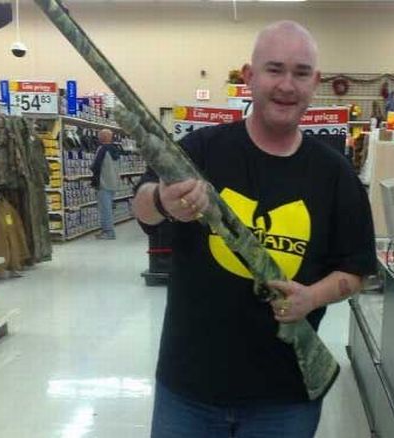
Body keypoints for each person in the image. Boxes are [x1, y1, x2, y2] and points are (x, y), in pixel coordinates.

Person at [133, 20, 377, 438]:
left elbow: (357, 270)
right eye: (274, 69)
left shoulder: (335, 174)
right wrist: (162, 201)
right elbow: (141, 206)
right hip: (188, 389)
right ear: (249, 76)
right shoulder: (201, 149)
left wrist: (311, 298)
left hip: (286, 398)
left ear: (315, 82)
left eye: (301, 73)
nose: (287, 85)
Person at [91, 128, 121, 240]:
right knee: (108, 208)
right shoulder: (115, 149)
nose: (98, 137)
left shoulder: (102, 149)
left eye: (100, 135)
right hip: (113, 182)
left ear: (103, 137)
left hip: (103, 182)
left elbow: (95, 166)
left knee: (105, 209)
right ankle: (107, 230)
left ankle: (108, 232)